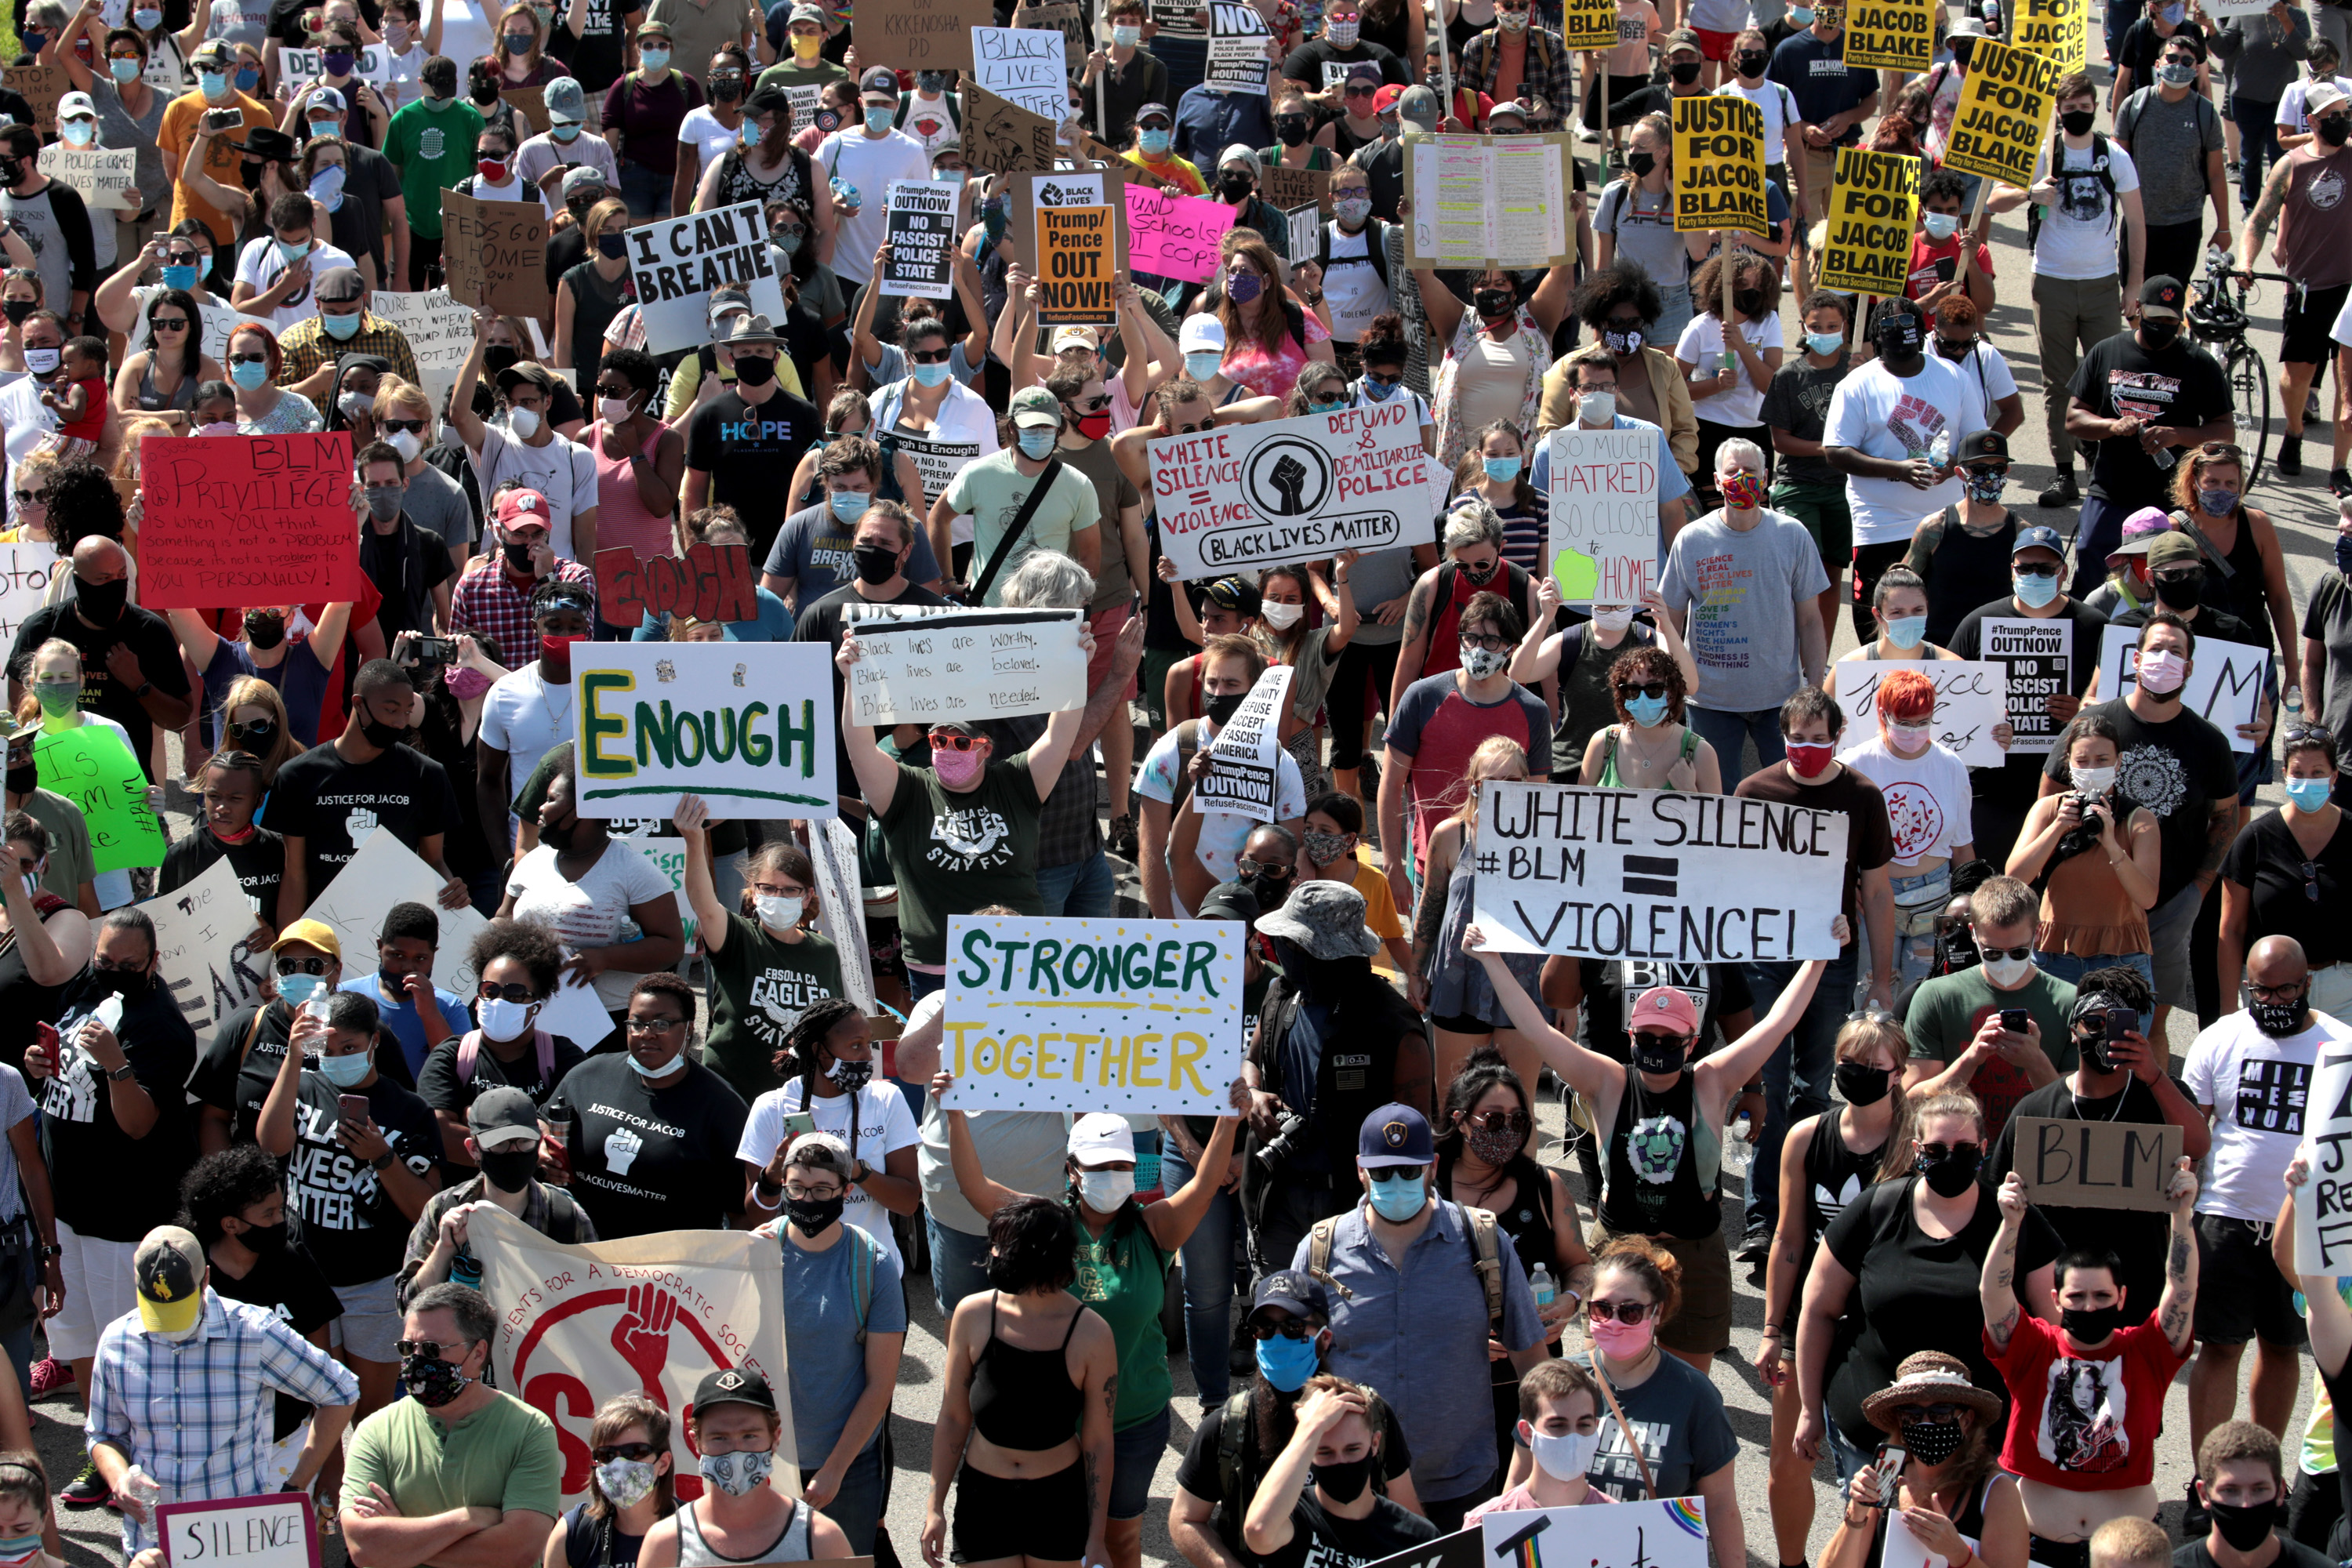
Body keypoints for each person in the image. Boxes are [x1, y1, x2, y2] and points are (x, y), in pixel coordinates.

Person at [1468, 913, 1834, 1373]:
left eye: (1670, 1039)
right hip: (1620, 1246)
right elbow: (1536, 1029)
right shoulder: (1606, 1081)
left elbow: (1777, 1024)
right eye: (1647, 1037)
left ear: (1692, 1042)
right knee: (1612, 1381)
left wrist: (1818, 959)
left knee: (1688, 1382)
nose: (1658, 1046)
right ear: (1630, 1037)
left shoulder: (1711, 1081)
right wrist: (1490, 959)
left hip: (1694, 1251)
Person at [941, 1079, 1242, 1568]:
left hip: (1133, 1419)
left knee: (1121, 1541)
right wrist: (955, 1115)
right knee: (1058, 1542)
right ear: (1073, 1171)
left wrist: (1228, 1122)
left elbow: (1204, 1185)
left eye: (1122, 1166)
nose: (1113, 1177)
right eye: (1099, 1168)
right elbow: (977, 1189)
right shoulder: (1046, 1226)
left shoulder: (1154, 1227)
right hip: (1053, 1426)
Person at [1289, 1101, 1544, 1530]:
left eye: (1409, 1171)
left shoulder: (1482, 1240)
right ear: (1360, 1170)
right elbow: (1293, 1373)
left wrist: (1523, 1472)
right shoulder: (1319, 1251)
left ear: (1433, 1168)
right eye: (1383, 1172)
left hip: (1461, 1486)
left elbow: (1533, 1364)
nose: (1396, 1183)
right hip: (1352, 1488)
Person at [1796, 1088, 2062, 1483]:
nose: (1950, 1158)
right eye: (1936, 1150)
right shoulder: (1876, 1209)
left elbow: (2053, 1329)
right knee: (1873, 1524)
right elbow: (1819, 1310)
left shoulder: (2017, 1222)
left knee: (1972, 1527)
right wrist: (1808, 1409)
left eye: (1964, 1148)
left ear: (1983, 1149)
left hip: (1984, 1446)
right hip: (1876, 1443)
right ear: (1916, 1150)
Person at [2181, 935, 2350, 1494]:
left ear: (2307, 984)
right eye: (2261, 991)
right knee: (2219, 1346)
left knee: (2282, 1348)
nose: (2273, 1002)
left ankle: (2263, 1484)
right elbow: (2194, 1128)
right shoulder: (2219, 1037)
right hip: (2225, 1214)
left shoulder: (2340, 1046)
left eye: (2285, 991)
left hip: (2303, 1224)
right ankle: (2208, 1482)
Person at [1733, 684, 1897, 1254]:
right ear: (1782, 737)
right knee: (1769, 1085)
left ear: (1838, 736)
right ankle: (1762, 1218)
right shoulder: (1754, 792)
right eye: (1797, 739)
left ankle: (1802, 1208)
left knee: (1816, 1085)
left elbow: (1877, 892)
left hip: (1830, 959)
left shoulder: (1863, 796)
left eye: (1818, 739)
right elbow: (1731, 878)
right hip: (1764, 959)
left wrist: (1881, 978)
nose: (1807, 748)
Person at [87, 1224, 359, 1550]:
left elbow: (341, 1391)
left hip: (235, 1543)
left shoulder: (252, 1332)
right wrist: (119, 1479)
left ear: (206, 1279)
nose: (169, 1329)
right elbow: (104, 1433)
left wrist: (296, 1485)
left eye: (178, 1309)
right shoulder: (116, 1341)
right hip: (152, 1542)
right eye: (159, 1311)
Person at [2038, 613, 2240, 1040]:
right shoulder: (2094, 724)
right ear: (2136, 659)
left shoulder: (2210, 741)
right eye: (2156, 649)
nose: (2164, 659)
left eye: (2176, 652)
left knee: (2148, 1027)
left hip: (2166, 906)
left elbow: (2227, 816)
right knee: (2065, 1030)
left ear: (2188, 667)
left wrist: (2198, 890)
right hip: (2084, 910)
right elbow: (2049, 795)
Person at [1755, 1011, 1907, 1563]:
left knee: (1885, 1466)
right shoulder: (1806, 1137)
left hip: (1879, 1326)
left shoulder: (1914, 1143)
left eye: (1872, 1065)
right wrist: (1771, 1328)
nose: (1857, 1073)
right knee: (1789, 1460)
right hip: (1809, 1317)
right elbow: (1788, 1239)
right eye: (1848, 1062)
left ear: (1898, 1073)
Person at [254, 987, 438, 1418]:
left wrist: (382, 1157)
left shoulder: (409, 1110)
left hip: (373, 1283)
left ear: (374, 1042)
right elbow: (270, 1145)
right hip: (307, 1274)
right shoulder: (302, 1086)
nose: (337, 1058)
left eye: (350, 1048)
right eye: (328, 1049)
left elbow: (426, 1210)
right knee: (318, 1404)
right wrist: (294, 1057)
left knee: (366, 1410)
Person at [1170, 1269, 1425, 1567]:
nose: (1277, 1339)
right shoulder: (1230, 1425)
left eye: (1293, 1327)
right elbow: (1185, 1519)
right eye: (1266, 1329)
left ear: (1325, 1338)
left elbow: (1412, 1530)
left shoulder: (1367, 1414)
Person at [922, 1196, 1118, 1568]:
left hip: (1058, 1501)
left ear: (1041, 1255)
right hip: (984, 1498)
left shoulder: (1092, 1335)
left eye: (1003, 1246)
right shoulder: (972, 1315)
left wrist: (1096, 1538)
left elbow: (1098, 1441)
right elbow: (953, 1417)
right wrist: (935, 1508)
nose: (993, 1254)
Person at [741, 1132, 897, 1556]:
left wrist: (835, 1470)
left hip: (847, 1467)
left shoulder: (873, 1264)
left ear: (846, 1191)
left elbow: (880, 1386)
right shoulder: (754, 1253)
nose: (808, 1200)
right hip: (763, 1462)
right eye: (797, 1188)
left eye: (822, 1190)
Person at [338, 1283, 562, 1564]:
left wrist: (400, 1543)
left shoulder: (529, 1429)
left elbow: (519, 1550)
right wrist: (467, 1519)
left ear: (478, 1353)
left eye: (432, 1349)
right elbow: (363, 1548)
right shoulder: (376, 1430)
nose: (416, 1360)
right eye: (408, 1347)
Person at [1555, 1236, 1743, 1552]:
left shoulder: (1694, 1395)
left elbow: (1721, 1504)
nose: (1614, 1322)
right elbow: (1520, 1486)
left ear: (1657, 1312)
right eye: (1602, 1309)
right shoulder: (1557, 1384)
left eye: (1630, 1312)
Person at [1661, 436, 1829, 779]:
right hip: (1709, 701)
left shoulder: (1792, 535)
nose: (1741, 478)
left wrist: (1814, 691)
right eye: (1732, 471)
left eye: (1750, 471)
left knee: (1788, 791)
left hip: (1780, 700)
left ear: (1765, 478)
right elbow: (1669, 622)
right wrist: (1670, 686)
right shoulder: (1691, 539)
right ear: (1717, 480)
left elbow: (1811, 621)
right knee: (1718, 797)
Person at [1378, 584, 1551, 910]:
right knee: (1426, 946)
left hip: (1502, 872)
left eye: (1491, 641)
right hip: (1432, 870)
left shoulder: (1533, 711)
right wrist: (1392, 865)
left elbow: (1535, 798)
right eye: (1470, 638)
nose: (1478, 648)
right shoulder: (1422, 696)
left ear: (1511, 649)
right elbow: (1390, 784)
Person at [1824, 296, 1984, 641]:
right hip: (1880, 526)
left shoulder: (1953, 377)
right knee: (1880, 623)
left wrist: (1951, 466)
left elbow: (1977, 443)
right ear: (1877, 337)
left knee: (1943, 625)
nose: (1899, 333)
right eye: (1889, 327)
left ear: (1923, 331)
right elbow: (1836, 452)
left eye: (1907, 324)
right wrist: (1899, 469)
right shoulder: (1856, 384)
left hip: (1945, 523)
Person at [2062, 281, 2236, 597]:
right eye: (2156, 318)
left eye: (2171, 320)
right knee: (2091, 566)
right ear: (2139, 309)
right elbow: (2074, 418)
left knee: (2163, 579)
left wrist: (2178, 435)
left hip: (2171, 497)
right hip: (2110, 490)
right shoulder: (2107, 351)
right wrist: (2112, 426)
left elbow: (2225, 430)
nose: (2162, 326)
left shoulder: (2199, 363)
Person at [266, 659, 468, 926]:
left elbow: (433, 861)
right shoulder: (298, 776)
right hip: (323, 927)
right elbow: (294, 873)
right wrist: (288, 942)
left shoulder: (426, 774)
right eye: (391, 710)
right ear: (359, 704)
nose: (400, 722)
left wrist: (452, 893)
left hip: (393, 930)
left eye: (407, 712)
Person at [1138, 633, 1311, 920]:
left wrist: (1270, 923)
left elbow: (1295, 846)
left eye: (1231, 684)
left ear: (1254, 691)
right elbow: (1151, 848)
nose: (1218, 693)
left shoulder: (1278, 761)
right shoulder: (1174, 749)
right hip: (1181, 911)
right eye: (1212, 683)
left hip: (1252, 915)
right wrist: (1167, 926)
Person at [738, 999, 917, 1271]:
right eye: (856, 1045)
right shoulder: (773, 1107)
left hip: (873, 1270)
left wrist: (854, 1169)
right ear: (819, 1050)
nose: (868, 1056)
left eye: (869, 1044)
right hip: (797, 1272)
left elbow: (908, 1203)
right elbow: (757, 1216)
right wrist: (773, 1174)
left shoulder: (886, 1099)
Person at [497, 768, 684, 1024]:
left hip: (606, 1020)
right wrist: (463, 917)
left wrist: (604, 958)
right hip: (531, 1015)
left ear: (579, 811)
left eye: (551, 799)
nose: (540, 808)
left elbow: (671, 947)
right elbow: (503, 919)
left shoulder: (634, 871)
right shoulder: (532, 862)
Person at [5, 535, 190, 786]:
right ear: (79, 581)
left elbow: (179, 720)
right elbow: (18, 718)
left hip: (124, 784)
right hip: (52, 780)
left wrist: (139, 685)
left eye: (121, 575)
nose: (115, 585)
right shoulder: (42, 629)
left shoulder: (149, 631)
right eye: (103, 579)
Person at [1820, 1350, 2031, 1568]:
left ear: (1967, 1421)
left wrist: (1958, 1554)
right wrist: (1857, 1513)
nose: (1926, 1423)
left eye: (1941, 1413)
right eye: (1912, 1415)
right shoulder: (1886, 1478)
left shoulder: (1996, 1492)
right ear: (1900, 1422)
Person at [1836, 668, 1979, 989]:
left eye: (1922, 722)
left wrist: (1971, 899)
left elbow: (1962, 846)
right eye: (1904, 722)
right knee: (1871, 1001)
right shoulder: (1853, 764)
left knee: (1924, 1000)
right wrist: (1848, 888)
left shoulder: (1951, 766)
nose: (1914, 731)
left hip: (1936, 899)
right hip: (1871, 897)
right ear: (1883, 714)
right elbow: (1835, 843)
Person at [2008, 713, 2163, 988]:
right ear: (2068, 762)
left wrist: (2112, 844)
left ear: (2118, 761)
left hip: (2121, 956)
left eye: (2102, 760)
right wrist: (2057, 828)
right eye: (2082, 761)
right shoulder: (2048, 810)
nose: (2092, 769)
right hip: (2055, 954)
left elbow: (2147, 897)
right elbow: (2015, 877)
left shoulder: (2139, 819)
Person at [399, 1087, 594, 1298]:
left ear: (539, 1142)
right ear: (474, 1149)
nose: (513, 1152)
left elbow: (597, 1292)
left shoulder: (564, 1214)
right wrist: (445, 1249)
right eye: (500, 1145)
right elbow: (408, 1303)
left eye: (524, 1142)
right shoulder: (442, 1208)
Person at [417, 922, 589, 1154]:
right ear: (477, 1001)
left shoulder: (563, 1057)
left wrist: (475, 1121)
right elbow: (439, 1131)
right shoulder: (452, 1055)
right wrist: (523, 1147)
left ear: (536, 1007)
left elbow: (576, 1130)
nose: (499, 1001)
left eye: (514, 994)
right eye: (490, 991)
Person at [1242, 1375, 1442, 1568]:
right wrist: (1310, 1428)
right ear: (1308, 1451)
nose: (1341, 1462)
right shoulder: (1295, 1519)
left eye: (1352, 1450)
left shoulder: (1416, 1537)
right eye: (1325, 1452)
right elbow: (1258, 1530)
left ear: (1374, 1444)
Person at [449, 320, 599, 563]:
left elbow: (584, 539)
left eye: (528, 402)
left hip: (556, 578)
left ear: (547, 402)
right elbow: (459, 414)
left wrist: (585, 584)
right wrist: (480, 341)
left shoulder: (576, 457)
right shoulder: (494, 445)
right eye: (512, 403)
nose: (518, 410)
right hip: (502, 578)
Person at [1592, 114, 1712, 347]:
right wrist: (1599, 316)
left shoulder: (1688, 195)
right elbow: (1604, 265)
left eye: (1641, 147)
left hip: (1672, 304)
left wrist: (1680, 197)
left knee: (1669, 371)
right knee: (1623, 370)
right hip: (1624, 302)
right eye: (1631, 146)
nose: (1633, 153)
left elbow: (1699, 252)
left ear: (1664, 151)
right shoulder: (1616, 194)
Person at [340, 901, 471, 1080]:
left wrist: (430, 1013)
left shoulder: (450, 1008)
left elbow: (459, 1070)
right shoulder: (346, 994)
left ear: (434, 954)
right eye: (398, 956)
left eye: (420, 958)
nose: (408, 967)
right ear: (380, 946)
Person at [542, 1394, 675, 1568]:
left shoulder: (695, 1530)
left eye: (634, 1452)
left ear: (663, 1463)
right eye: (607, 1455)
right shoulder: (573, 1532)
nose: (619, 1465)